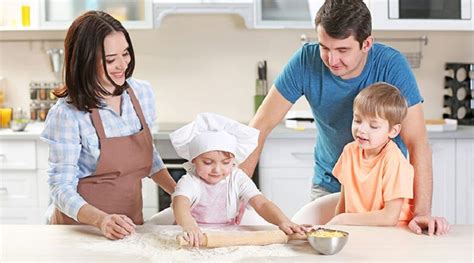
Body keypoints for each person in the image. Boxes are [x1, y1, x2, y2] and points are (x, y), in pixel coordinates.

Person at [239, 0, 449, 235]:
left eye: (342, 50)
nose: (332, 60)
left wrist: (421, 213)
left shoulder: (391, 65)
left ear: (366, 44)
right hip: (330, 182)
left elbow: (417, 142)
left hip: (384, 192)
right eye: (325, 48)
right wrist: (235, 194)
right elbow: (259, 127)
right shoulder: (306, 61)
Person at [40, 11, 176, 240]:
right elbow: (60, 188)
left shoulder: (141, 93)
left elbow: (148, 155)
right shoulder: (67, 114)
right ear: (85, 60)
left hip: (129, 226)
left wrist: (178, 192)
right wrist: (101, 219)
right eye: (111, 59)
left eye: (126, 54)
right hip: (79, 231)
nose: (122, 65)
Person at [168, 113, 307, 247]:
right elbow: (180, 203)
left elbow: (261, 203)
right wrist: (189, 225)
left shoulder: (237, 178)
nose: (217, 169)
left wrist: (283, 221)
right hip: (193, 236)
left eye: (225, 162)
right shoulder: (190, 181)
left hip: (227, 237)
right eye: (208, 162)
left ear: (233, 161)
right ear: (194, 161)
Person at [328, 83, 414, 226]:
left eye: (373, 126)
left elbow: (390, 218)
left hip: (393, 235)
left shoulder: (394, 160)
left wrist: (343, 220)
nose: (361, 130)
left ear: (393, 131)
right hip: (359, 230)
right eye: (357, 120)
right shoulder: (349, 151)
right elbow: (343, 204)